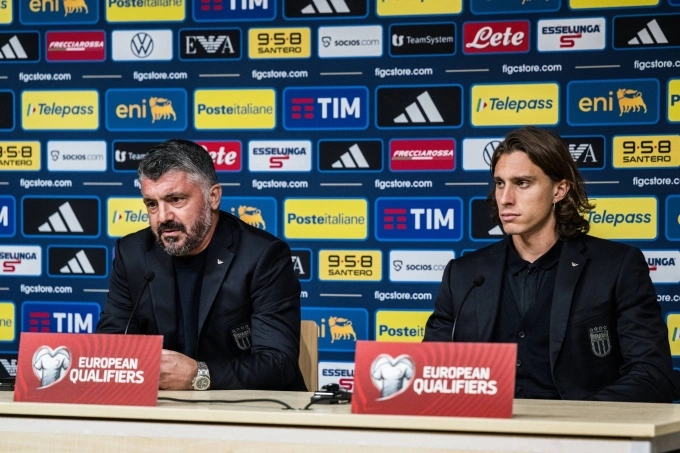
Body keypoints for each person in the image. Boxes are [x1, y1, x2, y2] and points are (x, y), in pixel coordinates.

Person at [424, 126, 674, 403]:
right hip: (486, 426)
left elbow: (652, 374)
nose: (505, 198)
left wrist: (576, 420)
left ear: (559, 190)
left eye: (522, 183)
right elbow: (430, 373)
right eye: (499, 183)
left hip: (583, 427)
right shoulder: (463, 274)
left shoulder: (617, 266)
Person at [97, 139, 307, 391]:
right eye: (152, 204)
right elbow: (110, 350)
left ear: (213, 196)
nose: (163, 217)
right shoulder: (132, 254)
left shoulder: (262, 256)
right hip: (164, 407)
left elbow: (278, 363)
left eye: (176, 199)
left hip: (249, 408)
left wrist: (199, 375)